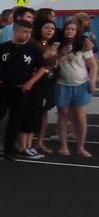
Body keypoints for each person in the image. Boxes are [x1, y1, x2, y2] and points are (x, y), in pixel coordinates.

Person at [0, 20, 45, 160]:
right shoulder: (3, 47)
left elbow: (42, 68)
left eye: (29, 33)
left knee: (15, 120)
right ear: (15, 31)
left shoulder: (33, 49)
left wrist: (30, 82)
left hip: (21, 89)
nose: (27, 35)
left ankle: (9, 150)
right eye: (24, 32)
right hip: (3, 87)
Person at [53, 19, 96, 156]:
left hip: (81, 84)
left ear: (77, 31)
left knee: (80, 117)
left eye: (73, 29)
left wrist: (92, 81)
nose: (69, 31)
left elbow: (93, 65)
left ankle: (81, 147)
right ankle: (64, 146)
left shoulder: (83, 44)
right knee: (63, 115)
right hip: (62, 84)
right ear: (63, 30)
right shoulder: (57, 43)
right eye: (67, 29)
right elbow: (50, 60)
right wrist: (61, 53)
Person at [28, 16, 60, 154]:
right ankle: (25, 143)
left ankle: (39, 142)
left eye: (52, 28)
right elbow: (31, 63)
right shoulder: (33, 43)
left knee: (44, 113)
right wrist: (45, 57)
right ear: (39, 28)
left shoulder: (49, 44)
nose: (50, 30)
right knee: (31, 113)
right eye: (46, 27)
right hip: (35, 82)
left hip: (48, 82)